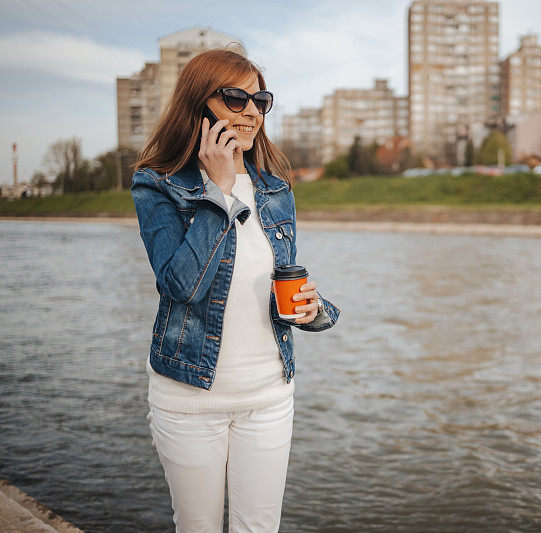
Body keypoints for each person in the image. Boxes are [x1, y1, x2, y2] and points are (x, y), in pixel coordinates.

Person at [130, 48, 340, 532]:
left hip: (269, 394)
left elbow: (280, 284)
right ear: (199, 104)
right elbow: (183, 287)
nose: (251, 112)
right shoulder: (157, 184)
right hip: (189, 399)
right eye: (235, 98)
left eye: (260, 100)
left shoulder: (273, 188)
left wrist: (314, 310)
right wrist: (219, 193)